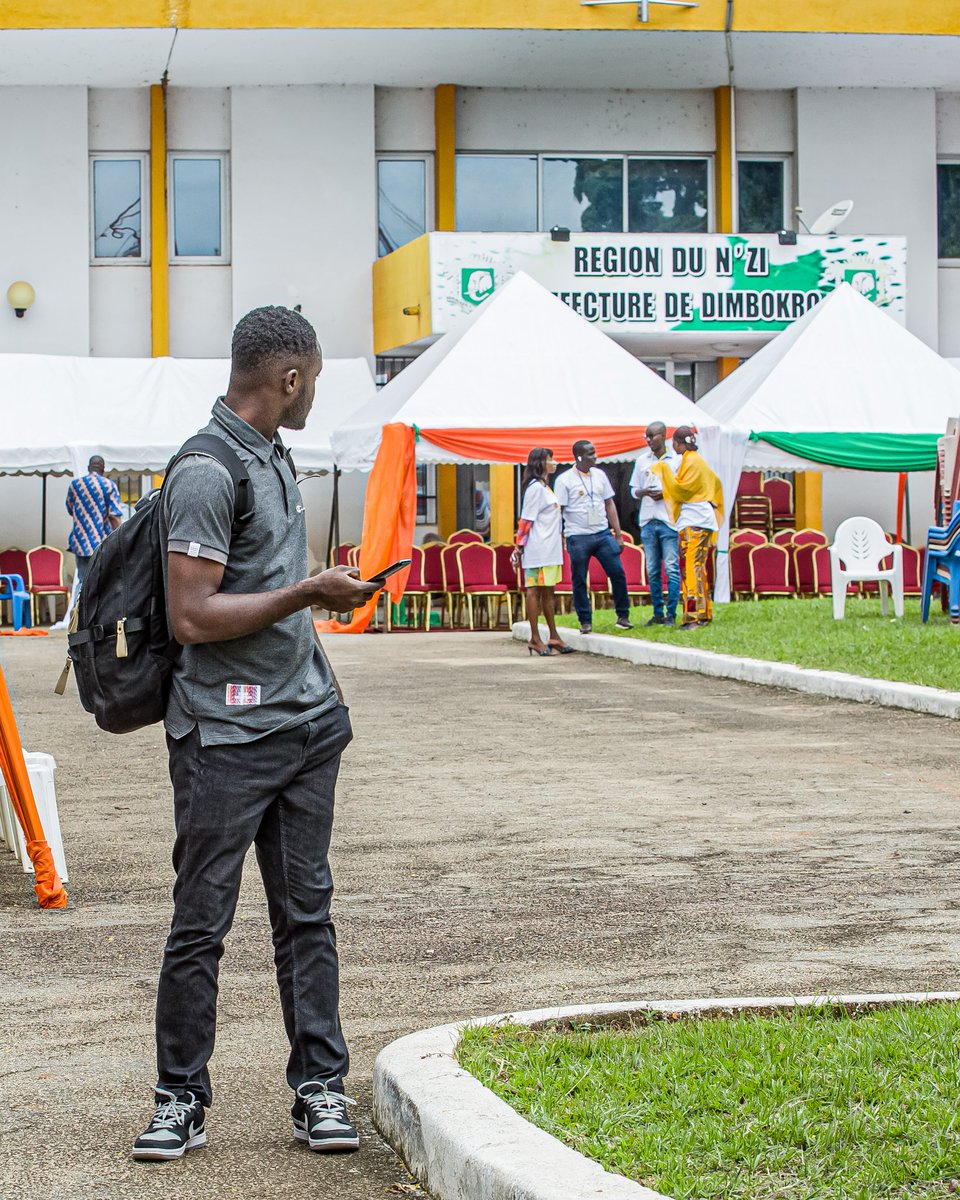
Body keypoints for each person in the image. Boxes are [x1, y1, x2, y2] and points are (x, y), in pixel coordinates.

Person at [132, 306, 380, 1163]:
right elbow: (192, 616)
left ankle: (318, 1088)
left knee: (306, 914)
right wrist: (311, 594)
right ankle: (179, 1098)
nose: (316, 389)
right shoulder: (206, 469)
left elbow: (267, 585)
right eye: (316, 376)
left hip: (307, 725)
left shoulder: (275, 454)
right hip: (224, 738)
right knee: (201, 921)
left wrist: (313, 631)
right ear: (289, 380)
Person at [553, 440, 632, 634]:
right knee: (579, 578)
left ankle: (623, 616)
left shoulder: (600, 475)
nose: (595, 456)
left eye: (594, 452)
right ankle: (585, 620)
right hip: (578, 536)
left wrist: (618, 534)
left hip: (602, 534)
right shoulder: (564, 480)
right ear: (579, 457)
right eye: (590, 454)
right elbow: (559, 511)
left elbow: (609, 504)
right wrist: (560, 536)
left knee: (618, 573)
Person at [651, 425, 724, 629]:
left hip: (695, 521)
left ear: (678, 443)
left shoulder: (692, 461)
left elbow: (681, 491)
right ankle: (703, 613)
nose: (672, 446)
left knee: (690, 569)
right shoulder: (693, 461)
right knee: (698, 569)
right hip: (697, 520)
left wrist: (662, 470)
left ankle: (692, 616)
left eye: (673, 442)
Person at [510, 448, 573, 656]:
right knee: (533, 590)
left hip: (551, 548)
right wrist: (519, 547)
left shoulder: (547, 488)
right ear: (540, 463)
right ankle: (535, 637)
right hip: (537, 548)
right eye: (549, 459)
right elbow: (526, 520)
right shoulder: (535, 488)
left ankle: (553, 635)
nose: (554, 462)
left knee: (549, 592)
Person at [628, 422, 681, 627]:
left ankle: (672, 612)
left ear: (663, 436)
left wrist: (666, 493)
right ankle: (657, 612)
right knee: (652, 569)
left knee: (671, 567)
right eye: (646, 437)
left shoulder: (676, 460)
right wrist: (644, 492)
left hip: (668, 519)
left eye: (652, 436)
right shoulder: (642, 460)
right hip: (648, 519)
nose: (648, 440)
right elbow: (633, 489)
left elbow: (683, 490)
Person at [65, 455, 123, 585]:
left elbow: (70, 508)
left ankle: (80, 604)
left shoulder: (75, 485)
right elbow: (114, 515)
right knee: (102, 582)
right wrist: (121, 536)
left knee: (82, 581)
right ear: (103, 469)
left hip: (80, 542)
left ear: (88, 467)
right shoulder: (108, 485)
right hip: (101, 542)